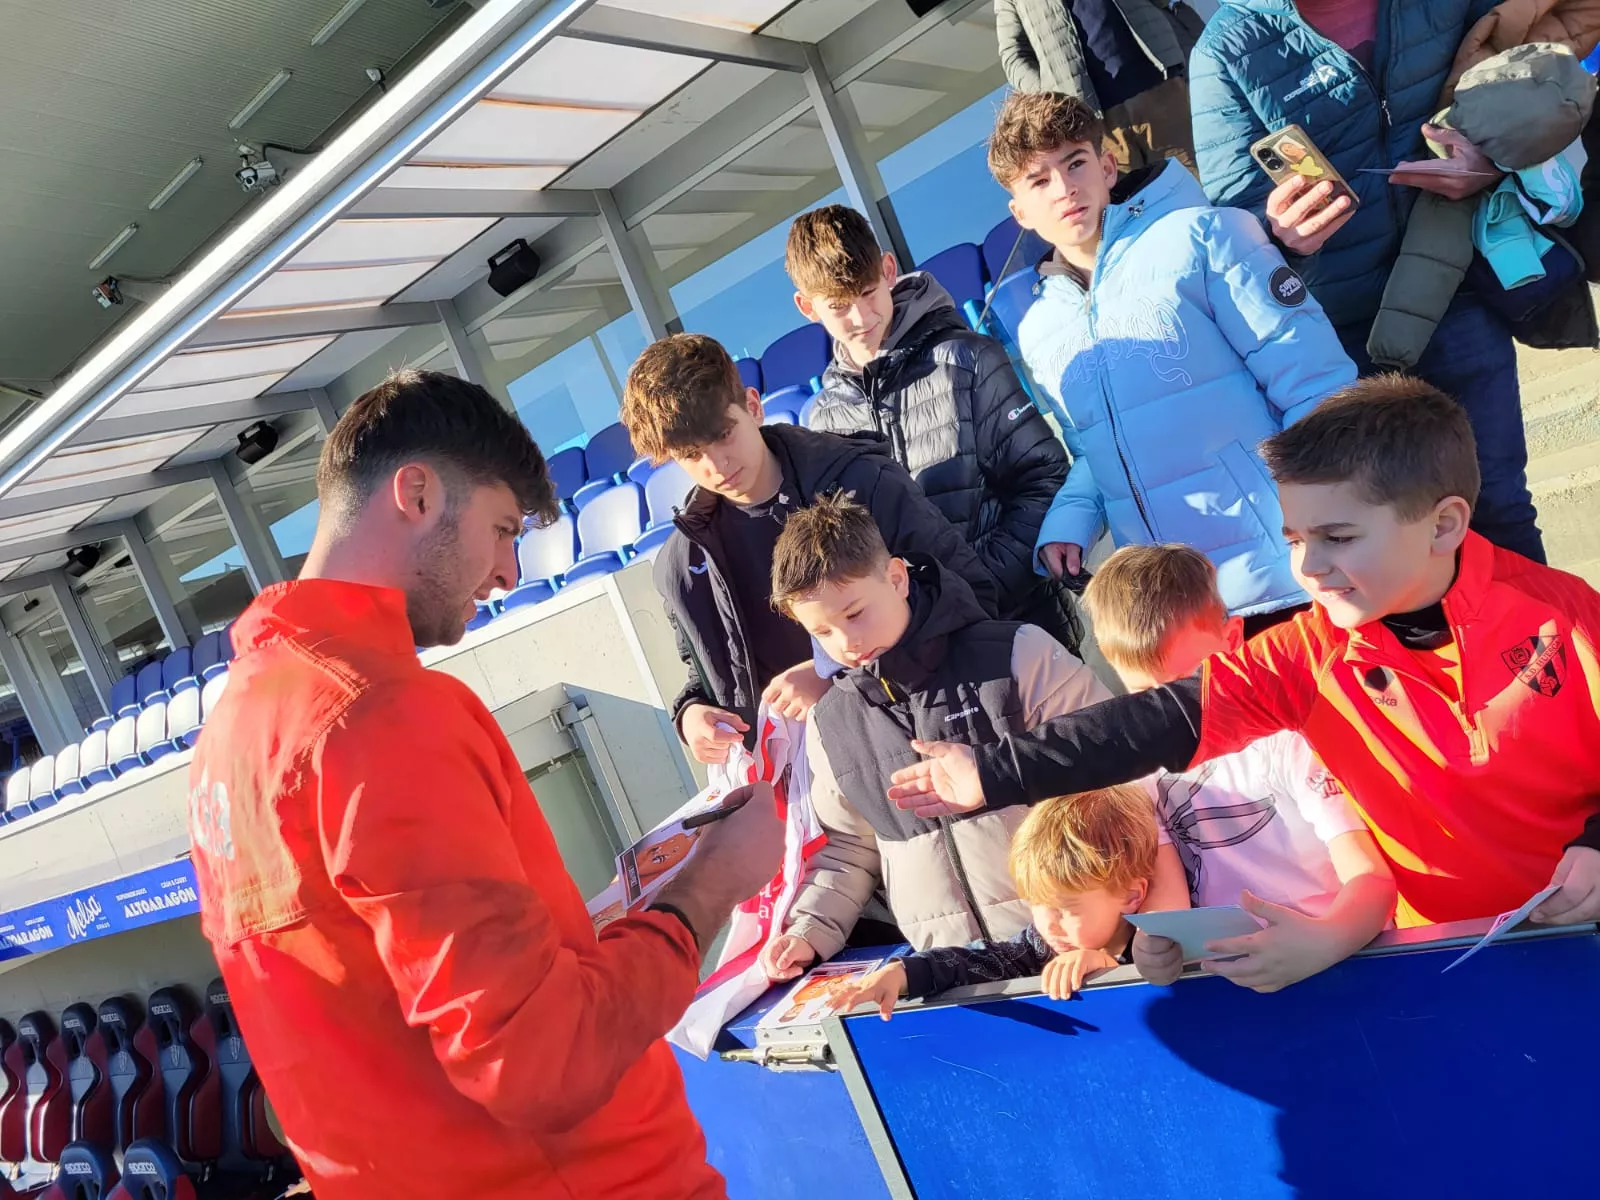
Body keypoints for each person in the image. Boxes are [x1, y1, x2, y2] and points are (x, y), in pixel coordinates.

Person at [186, 370, 785, 1200]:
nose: (509, 572)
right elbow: (542, 1065)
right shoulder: (381, 712)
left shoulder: (233, 733)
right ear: (419, 493)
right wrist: (713, 883)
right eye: (502, 530)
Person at [885, 376, 1600, 932]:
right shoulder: (1304, 652)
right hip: (1430, 961)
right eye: (1292, 539)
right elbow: (1158, 720)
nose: (1309, 567)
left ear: (1444, 525)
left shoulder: (1566, 614)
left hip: (1576, 939)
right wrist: (994, 769)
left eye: (1339, 537)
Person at [1187, 0, 1581, 565]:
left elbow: (1538, 62)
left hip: (1457, 291)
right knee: (1388, 543)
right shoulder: (1227, 48)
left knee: (1498, 509)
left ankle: (1548, 654)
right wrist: (1281, 237)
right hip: (1343, 336)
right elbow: (1236, 224)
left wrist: (1493, 157)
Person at [988, 89, 1356, 635]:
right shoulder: (1039, 329)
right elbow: (1094, 447)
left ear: (1107, 167)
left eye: (1075, 163)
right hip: (1180, 612)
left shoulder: (1205, 236)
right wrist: (1071, 521)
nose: (1064, 189)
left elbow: (1315, 387)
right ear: (1020, 211)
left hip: (1294, 576)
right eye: (1039, 180)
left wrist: (1334, 533)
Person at [751, 494, 1141, 983]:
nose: (845, 643)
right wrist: (808, 932)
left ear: (896, 578)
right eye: (822, 632)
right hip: (949, 975)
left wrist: (1110, 938)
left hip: (1076, 956)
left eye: (854, 614)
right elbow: (848, 847)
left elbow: (1115, 781)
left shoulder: (1017, 654)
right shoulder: (830, 723)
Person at [622, 333, 999, 766]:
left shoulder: (864, 482)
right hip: (801, 782)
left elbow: (965, 596)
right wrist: (690, 714)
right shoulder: (681, 565)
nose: (717, 465)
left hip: (926, 744)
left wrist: (832, 674)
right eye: (691, 455)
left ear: (752, 405)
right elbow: (703, 671)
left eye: (724, 435)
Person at [1083, 544, 1396, 992]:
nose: (1169, 716)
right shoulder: (1143, 771)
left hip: (1346, 963)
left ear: (1232, 642)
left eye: (1184, 687)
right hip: (1234, 980)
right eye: (1144, 697)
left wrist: (1325, 942)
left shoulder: (1287, 741)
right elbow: (1166, 912)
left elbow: (1372, 880)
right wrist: (1156, 951)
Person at [789, 204, 1080, 651]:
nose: (860, 318)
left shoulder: (967, 359)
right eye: (838, 307)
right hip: (919, 660)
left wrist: (978, 590)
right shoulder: (822, 423)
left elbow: (1043, 478)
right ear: (808, 308)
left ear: (888, 270)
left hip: (1023, 628)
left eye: (868, 293)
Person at [825, 785, 1163, 1017]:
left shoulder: (1161, 945)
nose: (1050, 924)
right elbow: (977, 961)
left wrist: (1111, 973)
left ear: (1132, 895)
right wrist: (903, 974)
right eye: (1037, 903)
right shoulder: (1041, 944)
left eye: (1066, 909)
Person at [994, 0, 1196, 170]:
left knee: (1209, 189)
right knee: (1128, 212)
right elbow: (1013, 55)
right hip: (1092, 127)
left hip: (1160, 94)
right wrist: (1052, 100)